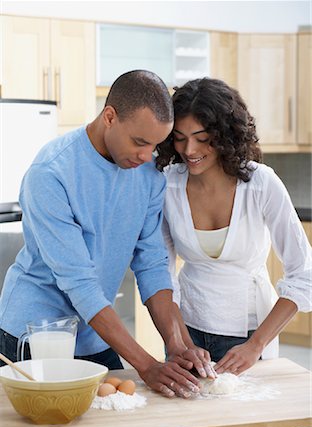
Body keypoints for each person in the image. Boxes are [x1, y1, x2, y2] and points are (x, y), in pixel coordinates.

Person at [0, 70, 216, 398]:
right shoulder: (51, 174)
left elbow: (153, 264)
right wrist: (146, 364)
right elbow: (80, 283)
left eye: (156, 145)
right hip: (35, 336)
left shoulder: (148, 174)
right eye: (140, 142)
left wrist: (174, 343)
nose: (147, 156)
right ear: (110, 117)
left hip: (96, 334)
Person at [156, 77, 312, 375]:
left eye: (202, 138)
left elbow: (305, 274)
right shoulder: (168, 186)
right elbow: (161, 274)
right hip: (186, 331)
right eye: (179, 137)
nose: (189, 149)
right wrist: (180, 341)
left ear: (225, 134)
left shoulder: (260, 184)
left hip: (249, 333)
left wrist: (256, 345)